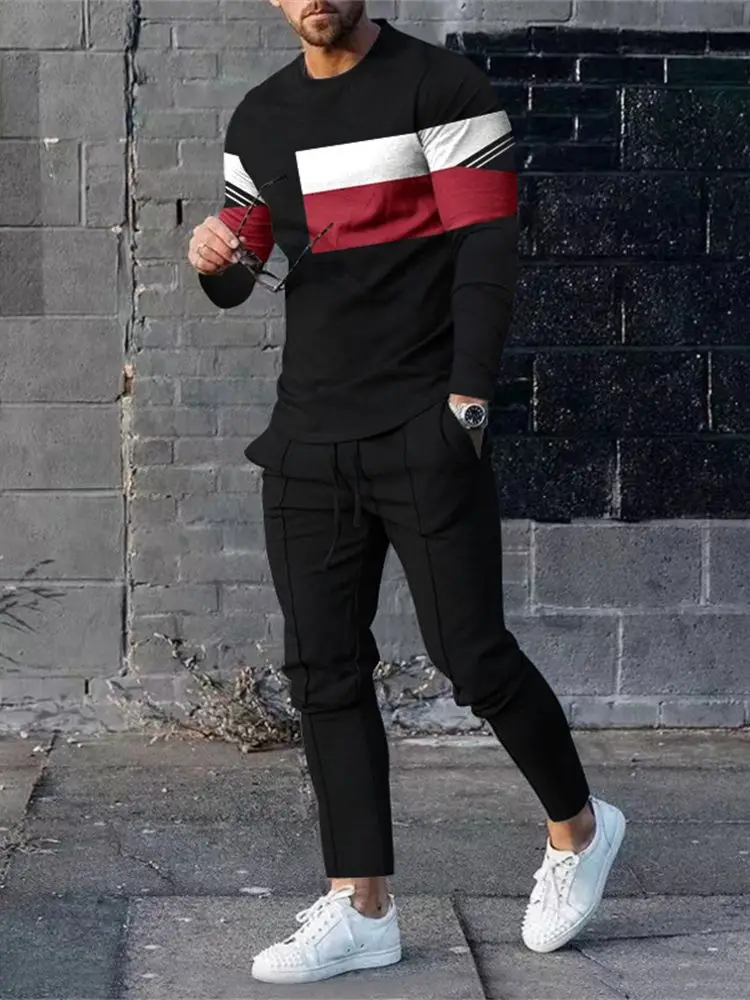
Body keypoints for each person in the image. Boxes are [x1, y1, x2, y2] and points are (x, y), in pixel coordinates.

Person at [188, 0, 627, 985]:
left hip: (423, 424)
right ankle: (363, 907)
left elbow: (486, 253)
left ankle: (580, 828)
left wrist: (465, 405)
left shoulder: (443, 88)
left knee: (472, 655)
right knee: (323, 670)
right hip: (307, 436)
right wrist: (215, 256)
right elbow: (246, 265)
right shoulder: (260, 118)